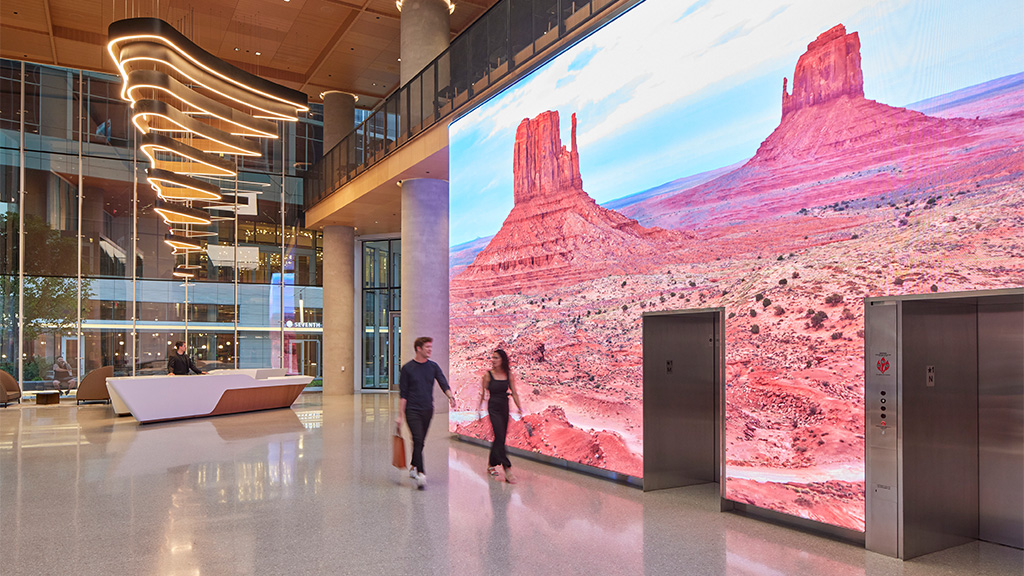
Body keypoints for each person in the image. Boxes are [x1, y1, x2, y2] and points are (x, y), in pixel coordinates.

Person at [396, 336, 456, 489]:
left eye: (431, 347)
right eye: (427, 347)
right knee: (417, 438)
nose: (430, 350)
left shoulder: (433, 367)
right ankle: (421, 473)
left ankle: (413, 465)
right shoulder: (407, 368)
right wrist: (400, 416)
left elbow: (442, 381)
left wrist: (450, 396)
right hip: (412, 410)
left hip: (427, 410)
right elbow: (403, 394)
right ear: (418, 349)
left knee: (420, 441)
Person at [477, 349, 523, 484]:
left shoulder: (508, 375)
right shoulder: (487, 375)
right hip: (493, 407)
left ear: (502, 359)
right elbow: (483, 393)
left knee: (499, 437)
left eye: (496, 358)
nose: (493, 360)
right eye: (492, 358)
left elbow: (514, 392)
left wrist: (519, 407)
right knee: (499, 434)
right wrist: (479, 410)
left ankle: (491, 464)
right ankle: (507, 468)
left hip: (504, 406)